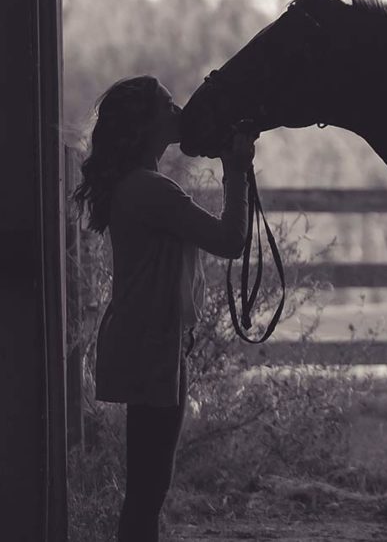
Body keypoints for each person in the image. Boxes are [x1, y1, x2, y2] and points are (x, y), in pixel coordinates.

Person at [70, 75, 257, 542]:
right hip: (152, 341)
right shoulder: (151, 190)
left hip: (149, 338)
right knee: (149, 490)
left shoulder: (137, 187)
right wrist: (236, 169)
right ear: (147, 125)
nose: (179, 112)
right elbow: (231, 240)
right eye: (168, 106)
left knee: (148, 487)